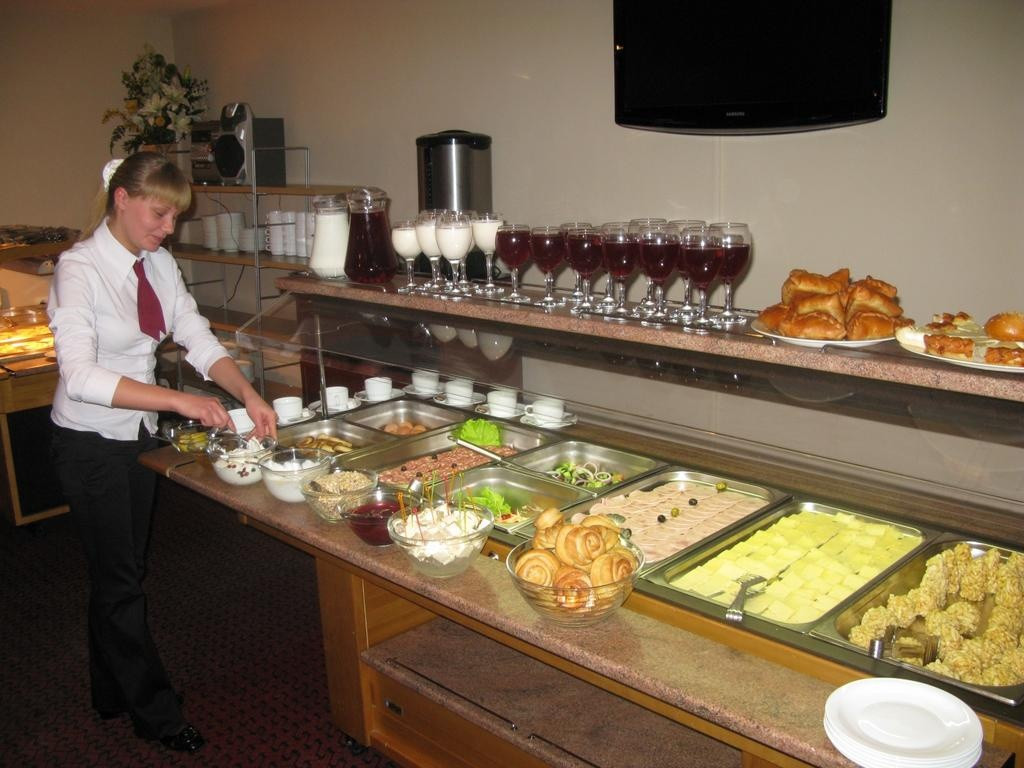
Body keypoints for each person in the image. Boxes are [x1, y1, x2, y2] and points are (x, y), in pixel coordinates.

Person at [48, 152, 277, 754]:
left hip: (137, 434)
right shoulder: (79, 269)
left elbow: (196, 336)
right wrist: (178, 401)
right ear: (121, 199)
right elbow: (80, 376)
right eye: (160, 214)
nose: (169, 229)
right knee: (122, 580)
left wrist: (249, 393)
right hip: (88, 442)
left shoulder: (158, 263)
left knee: (119, 571)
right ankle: (157, 714)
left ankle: (109, 691)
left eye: (175, 217)